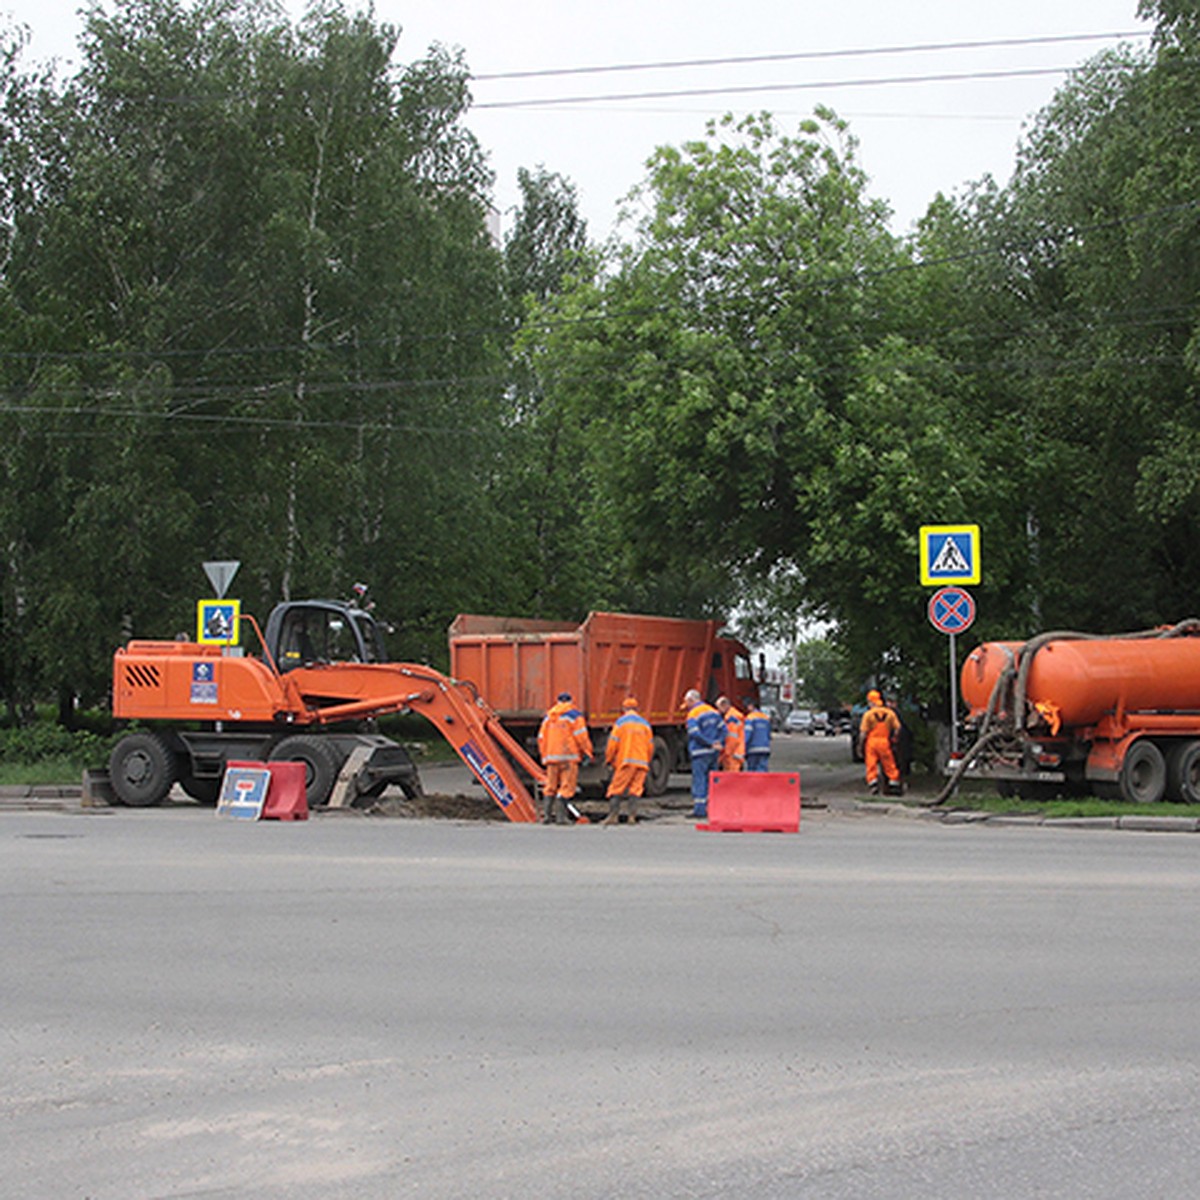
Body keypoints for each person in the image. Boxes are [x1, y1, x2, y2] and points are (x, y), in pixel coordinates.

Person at [538, 691, 594, 823]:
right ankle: (561, 818)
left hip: (551, 758)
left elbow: (541, 739)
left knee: (550, 786)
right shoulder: (574, 716)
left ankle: (546, 816)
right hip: (568, 757)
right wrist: (587, 752)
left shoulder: (548, 717)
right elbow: (581, 737)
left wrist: (545, 756)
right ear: (570, 702)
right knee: (566, 786)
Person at [602, 696, 653, 825]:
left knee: (616, 789)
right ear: (637, 709)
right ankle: (632, 817)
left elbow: (612, 745)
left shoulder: (620, 723)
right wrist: (647, 760)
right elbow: (650, 746)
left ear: (624, 709)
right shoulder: (645, 724)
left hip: (626, 762)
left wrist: (608, 759)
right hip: (641, 762)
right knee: (635, 789)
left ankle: (613, 816)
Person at [682, 688, 725, 819]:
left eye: (687, 703)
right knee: (712, 781)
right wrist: (718, 743)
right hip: (713, 753)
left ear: (691, 700)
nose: (687, 707)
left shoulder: (693, 714)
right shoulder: (713, 711)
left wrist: (709, 743)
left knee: (699, 780)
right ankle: (712, 808)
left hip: (700, 752)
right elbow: (724, 730)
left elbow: (694, 733)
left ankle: (700, 810)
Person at [860, 688, 902, 795]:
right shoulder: (890, 713)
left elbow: (863, 733)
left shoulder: (868, 715)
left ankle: (873, 784)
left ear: (871, 701)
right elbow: (898, 728)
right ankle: (894, 784)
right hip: (885, 741)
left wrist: (860, 745)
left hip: (872, 743)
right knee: (889, 764)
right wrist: (895, 738)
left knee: (871, 764)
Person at [715, 696, 745, 772]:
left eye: (719, 708)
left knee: (732, 777)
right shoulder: (734, 715)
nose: (718, 711)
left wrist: (726, 752)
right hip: (736, 752)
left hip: (733, 754)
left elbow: (732, 737)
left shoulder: (732, 718)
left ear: (724, 705)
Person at [742, 703, 772, 772]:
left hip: (753, 749)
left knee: (752, 772)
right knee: (762, 770)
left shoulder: (750, 718)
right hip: (765, 748)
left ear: (751, 706)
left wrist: (744, 748)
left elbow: (748, 734)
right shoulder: (765, 718)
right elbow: (768, 734)